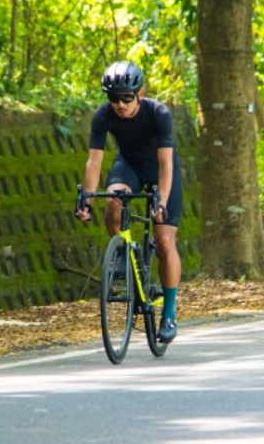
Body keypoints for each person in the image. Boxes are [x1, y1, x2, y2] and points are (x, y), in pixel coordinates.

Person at [76, 61, 183, 343]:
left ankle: (169, 314)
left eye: (126, 97)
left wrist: (161, 201)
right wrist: (87, 199)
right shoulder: (103, 116)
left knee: (164, 240)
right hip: (129, 166)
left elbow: (166, 165)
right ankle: (125, 252)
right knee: (113, 204)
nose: (120, 105)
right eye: (114, 98)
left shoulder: (158, 113)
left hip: (161, 169)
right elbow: (94, 162)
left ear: (140, 93)